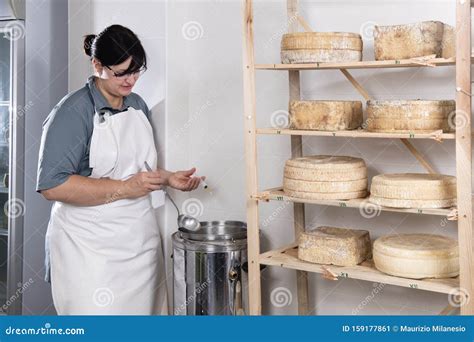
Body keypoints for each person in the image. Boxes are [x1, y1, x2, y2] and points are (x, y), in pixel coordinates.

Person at [36, 25, 203, 315]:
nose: (131, 80)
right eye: (121, 73)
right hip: (89, 250)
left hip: (138, 243)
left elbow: (137, 168)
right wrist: (126, 188)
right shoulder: (72, 112)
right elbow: (53, 185)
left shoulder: (137, 105)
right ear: (97, 65)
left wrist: (167, 178)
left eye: (137, 71)